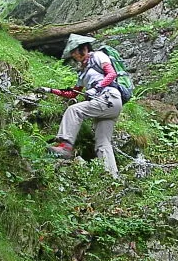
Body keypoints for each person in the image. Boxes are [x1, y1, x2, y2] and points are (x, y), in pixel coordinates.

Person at [37, 34, 123, 178]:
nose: (74, 55)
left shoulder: (98, 56)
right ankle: (112, 177)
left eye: (75, 51)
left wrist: (97, 88)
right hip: (108, 106)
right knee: (102, 141)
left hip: (109, 98)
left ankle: (65, 146)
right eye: (72, 53)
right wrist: (50, 90)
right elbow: (73, 93)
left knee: (74, 110)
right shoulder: (83, 72)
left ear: (83, 48)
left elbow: (111, 74)